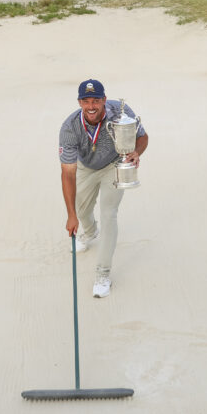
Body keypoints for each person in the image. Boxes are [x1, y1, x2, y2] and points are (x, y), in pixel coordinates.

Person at [59, 79, 148, 298]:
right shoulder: (69, 128)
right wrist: (71, 216)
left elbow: (143, 137)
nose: (91, 106)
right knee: (81, 210)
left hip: (114, 165)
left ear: (104, 100)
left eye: (96, 100)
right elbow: (67, 173)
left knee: (109, 214)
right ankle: (89, 232)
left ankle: (103, 273)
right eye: (86, 101)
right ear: (80, 102)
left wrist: (137, 152)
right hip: (85, 167)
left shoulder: (120, 111)